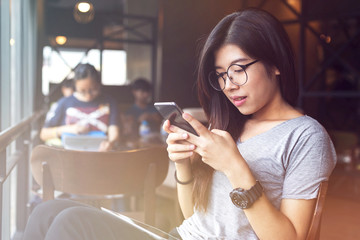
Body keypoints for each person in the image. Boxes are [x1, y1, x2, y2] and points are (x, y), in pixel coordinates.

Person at [23, 9, 336, 239]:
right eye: (221, 75)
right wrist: (184, 165)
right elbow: (193, 217)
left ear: (276, 63)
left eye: (238, 69)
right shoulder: (228, 125)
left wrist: (235, 167)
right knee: (48, 211)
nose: (228, 85)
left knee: (72, 223)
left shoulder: (305, 136)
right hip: (177, 235)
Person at [40, 63, 120, 151]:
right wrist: (67, 129)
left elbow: (114, 130)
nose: (88, 95)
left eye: (93, 90)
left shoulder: (109, 102)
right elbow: (44, 134)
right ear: (75, 86)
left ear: (98, 84)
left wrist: (110, 143)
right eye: (82, 91)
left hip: (100, 155)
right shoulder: (64, 103)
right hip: (70, 157)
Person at [121, 78, 162, 145]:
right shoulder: (129, 111)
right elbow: (127, 131)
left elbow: (160, 123)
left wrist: (150, 117)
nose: (146, 95)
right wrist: (137, 121)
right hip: (136, 143)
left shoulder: (153, 109)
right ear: (134, 92)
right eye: (142, 91)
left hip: (154, 143)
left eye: (147, 92)